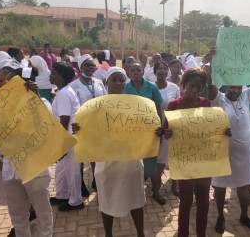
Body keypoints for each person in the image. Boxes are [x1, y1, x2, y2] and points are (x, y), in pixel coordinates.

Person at [72, 67, 147, 237]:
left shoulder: (135, 104)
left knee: (136, 199)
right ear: (106, 82)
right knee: (106, 200)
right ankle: (108, 234)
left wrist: (153, 132)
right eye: (114, 79)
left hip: (131, 161)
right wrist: (79, 129)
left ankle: (141, 234)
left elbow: (143, 128)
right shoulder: (95, 107)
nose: (118, 83)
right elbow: (88, 131)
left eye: (121, 79)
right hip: (106, 162)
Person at [207, 49, 250, 233]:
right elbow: (210, 84)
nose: (235, 90)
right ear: (226, 86)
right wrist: (212, 61)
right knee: (219, 188)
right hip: (222, 154)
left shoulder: (246, 97)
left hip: (245, 156)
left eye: (238, 87)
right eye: (232, 87)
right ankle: (220, 216)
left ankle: (244, 215)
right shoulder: (218, 100)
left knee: (245, 191)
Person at [0, 66, 53, 237]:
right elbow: (7, 137)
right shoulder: (0, 107)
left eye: (2, 81)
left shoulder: (42, 103)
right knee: (18, 216)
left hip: (34, 168)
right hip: (11, 171)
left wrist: (36, 98)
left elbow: (47, 128)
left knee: (42, 213)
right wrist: (2, 158)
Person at [162, 68, 215, 237]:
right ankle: (183, 233)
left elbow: (210, 129)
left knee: (203, 201)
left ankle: (201, 233)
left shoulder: (206, 103)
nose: (194, 90)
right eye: (191, 86)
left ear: (202, 87)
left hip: (202, 160)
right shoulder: (174, 105)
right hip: (184, 161)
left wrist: (223, 132)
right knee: (185, 201)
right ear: (184, 86)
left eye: (198, 86)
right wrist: (167, 133)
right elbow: (166, 130)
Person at [123, 62, 165, 205]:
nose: (135, 72)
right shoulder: (125, 88)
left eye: (138, 70)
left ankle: (156, 191)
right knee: (133, 162)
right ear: (128, 73)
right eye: (132, 70)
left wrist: (160, 129)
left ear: (143, 72)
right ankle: (134, 192)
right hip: (132, 132)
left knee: (151, 162)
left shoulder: (152, 87)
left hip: (150, 131)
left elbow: (158, 109)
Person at [49, 62, 84, 211]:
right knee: (62, 168)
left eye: (53, 73)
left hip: (69, 136)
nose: (50, 75)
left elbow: (64, 119)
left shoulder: (64, 93)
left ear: (61, 77)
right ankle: (62, 194)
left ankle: (76, 201)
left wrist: (61, 143)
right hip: (67, 135)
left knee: (72, 170)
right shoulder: (63, 91)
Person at [70, 54, 107, 193]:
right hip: (81, 125)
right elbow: (73, 106)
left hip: (97, 124)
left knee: (95, 154)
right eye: (87, 65)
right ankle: (81, 185)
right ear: (80, 68)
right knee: (80, 155)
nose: (91, 67)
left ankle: (96, 180)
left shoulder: (99, 82)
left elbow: (104, 102)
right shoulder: (74, 85)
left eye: (92, 65)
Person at [154, 61, 180, 196]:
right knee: (160, 159)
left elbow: (179, 106)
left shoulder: (174, 87)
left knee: (174, 156)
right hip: (157, 127)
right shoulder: (151, 87)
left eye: (165, 68)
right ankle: (156, 186)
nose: (162, 71)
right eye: (159, 68)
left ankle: (175, 184)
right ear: (155, 71)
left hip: (172, 126)